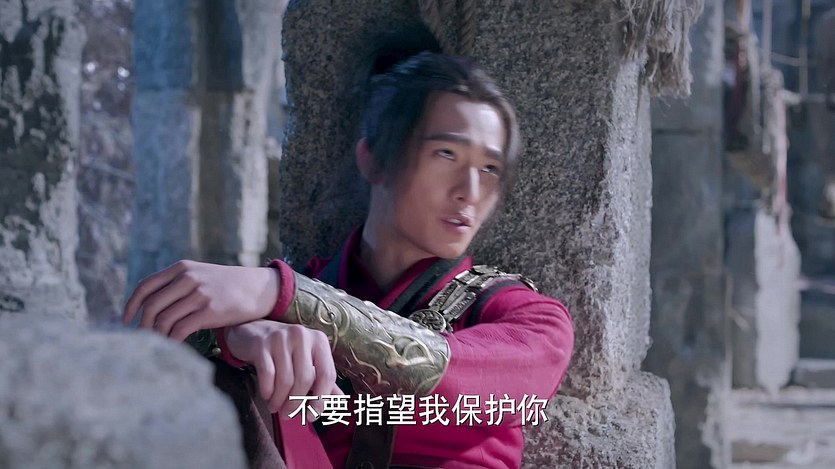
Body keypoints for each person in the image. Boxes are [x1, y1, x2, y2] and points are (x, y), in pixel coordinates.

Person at [124, 29, 574, 469]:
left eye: (490, 168)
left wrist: (278, 293)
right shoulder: (276, 308)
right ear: (374, 160)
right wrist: (235, 342)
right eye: (446, 155)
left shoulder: (531, 319)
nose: (470, 192)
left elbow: (441, 369)